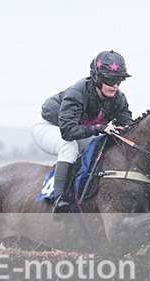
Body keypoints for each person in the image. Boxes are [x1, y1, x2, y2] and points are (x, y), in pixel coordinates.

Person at [32, 50, 133, 218]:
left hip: (76, 132)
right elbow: (68, 132)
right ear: (96, 78)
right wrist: (99, 128)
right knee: (69, 147)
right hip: (50, 128)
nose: (115, 85)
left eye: (119, 80)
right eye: (110, 80)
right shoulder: (78, 92)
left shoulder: (118, 98)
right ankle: (60, 199)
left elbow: (128, 127)